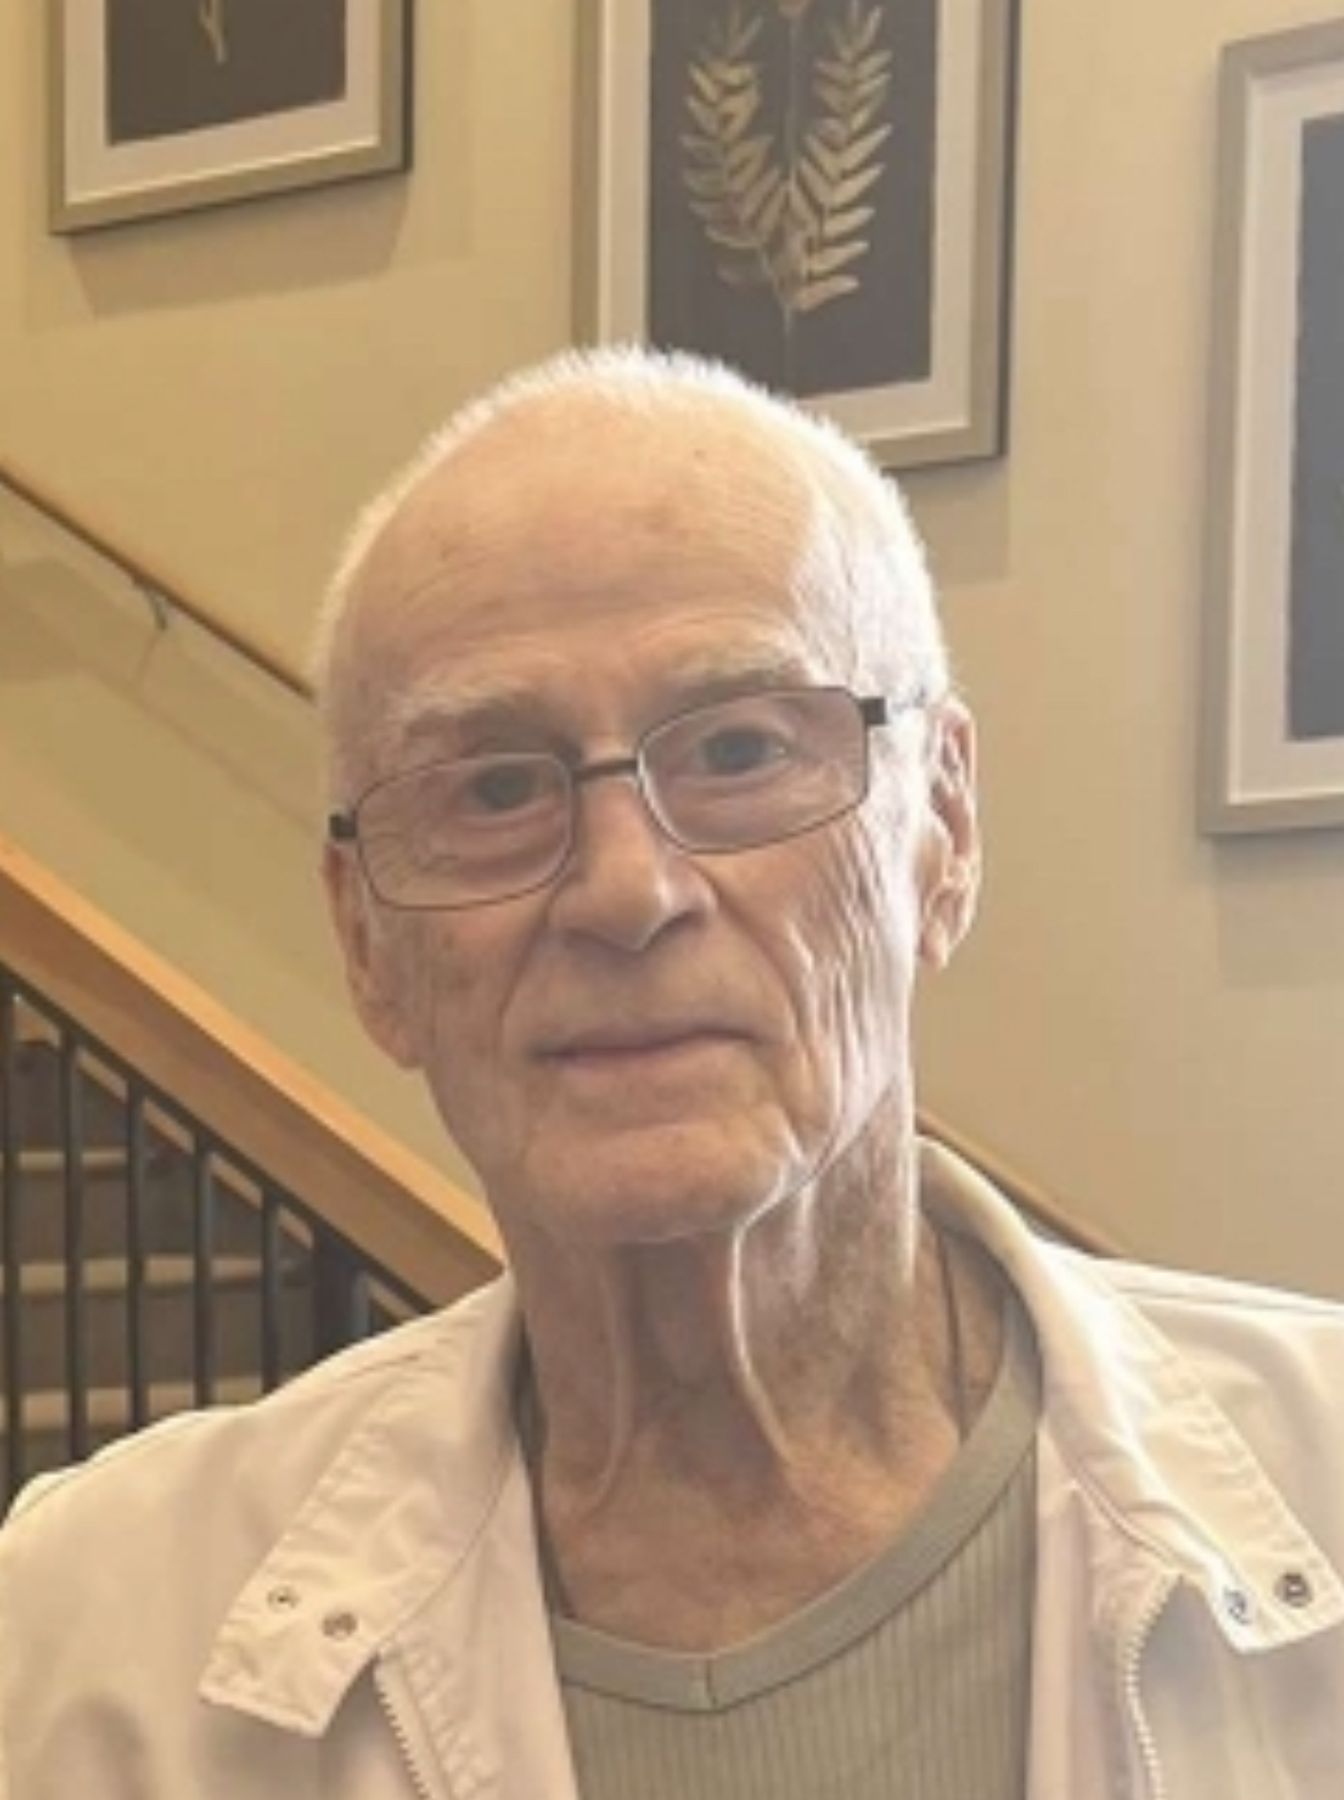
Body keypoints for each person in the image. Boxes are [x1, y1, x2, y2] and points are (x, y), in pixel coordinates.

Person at [2, 350, 1341, 1798]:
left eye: (743, 749)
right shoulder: (86, 1642)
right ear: (367, 942)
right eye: (494, 788)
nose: (627, 890)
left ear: (943, 831)